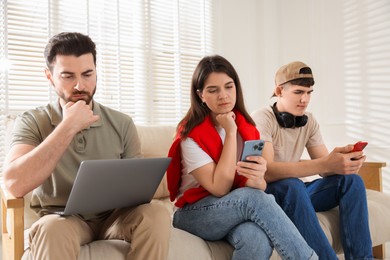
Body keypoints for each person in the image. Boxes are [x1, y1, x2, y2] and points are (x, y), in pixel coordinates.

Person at [3, 32, 171, 260]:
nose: (80, 85)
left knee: (157, 214)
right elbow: (14, 183)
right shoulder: (32, 121)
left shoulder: (121, 122)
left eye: (87, 74)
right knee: (51, 230)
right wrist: (67, 126)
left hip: (115, 218)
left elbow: (137, 189)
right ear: (49, 77)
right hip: (63, 219)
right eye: (68, 76)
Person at [166, 55, 318, 260]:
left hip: (230, 209)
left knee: (256, 239)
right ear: (201, 95)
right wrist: (230, 133)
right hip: (192, 213)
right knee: (253, 199)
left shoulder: (248, 129)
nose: (223, 96)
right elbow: (220, 188)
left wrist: (257, 179)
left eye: (229, 87)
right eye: (213, 90)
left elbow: (256, 187)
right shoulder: (190, 135)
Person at [251, 61, 372, 260]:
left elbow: (325, 169)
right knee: (291, 185)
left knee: (352, 181)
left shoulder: (309, 121)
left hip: (297, 191)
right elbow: (268, 172)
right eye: (299, 92)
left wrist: (340, 160)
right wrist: (325, 163)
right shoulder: (261, 118)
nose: (305, 99)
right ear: (280, 91)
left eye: (309, 93)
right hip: (270, 194)